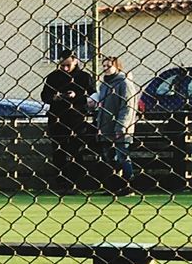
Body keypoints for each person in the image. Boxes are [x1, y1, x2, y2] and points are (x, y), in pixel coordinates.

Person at [40, 49, 94, 192]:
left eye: (68, 65)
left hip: (77, 119)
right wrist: (55, 97)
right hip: (57, 119)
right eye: (62, 65)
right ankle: (62, 184)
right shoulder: (53, 77)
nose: (65, 68)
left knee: (77, 151)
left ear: (75, 61)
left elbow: (93, 96)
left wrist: (77, 96)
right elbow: (44, 96)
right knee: (59, 153)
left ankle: (78, 182)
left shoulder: (84, 77)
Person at [96, 55, 140, 196]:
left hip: (120, 127)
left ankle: (128, 186)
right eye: (104, 66)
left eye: (109, 66)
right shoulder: (104, 85)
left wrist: (121, 126)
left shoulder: (124, 83)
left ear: (117, 66)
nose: (106, 69)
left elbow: (128, 107)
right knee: (109, 158)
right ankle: (114, 186)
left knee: (123, 156)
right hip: (105, 127)